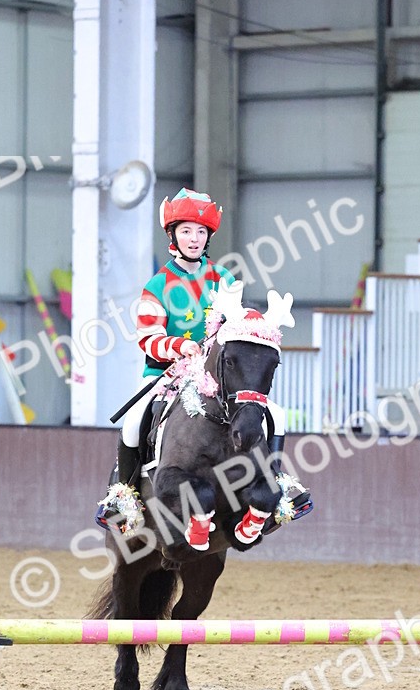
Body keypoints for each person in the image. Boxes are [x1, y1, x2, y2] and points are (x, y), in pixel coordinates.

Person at [95, 187, 311, 533]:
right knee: (134, 420)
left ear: (208, 235)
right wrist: (180, 346)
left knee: (277, 415)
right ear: (173, 235)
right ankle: (124, 493)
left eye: (200, 232)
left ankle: (278, 481)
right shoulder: (157, 285)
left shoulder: (223, 279)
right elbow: (147, 338)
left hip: (217, 374)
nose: (193, 239)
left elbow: (237, 326)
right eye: (186, 231)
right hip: (166, 373)